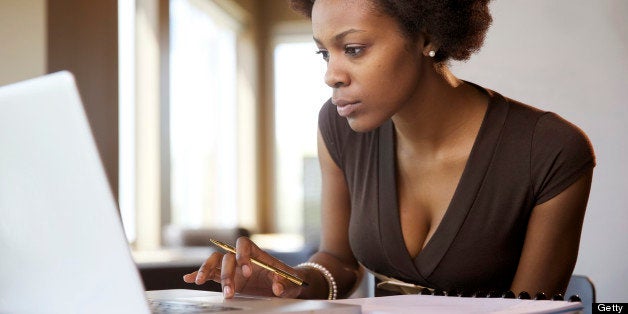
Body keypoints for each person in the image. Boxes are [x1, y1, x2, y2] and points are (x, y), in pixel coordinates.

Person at [183, 0, 595, 300]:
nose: (331, 75)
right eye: (324, 53)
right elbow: (340, 264)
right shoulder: (338, 128)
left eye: (354, 49)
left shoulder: (550, 152)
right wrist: (284, 282)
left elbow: (532, 313)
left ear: (427, 35)